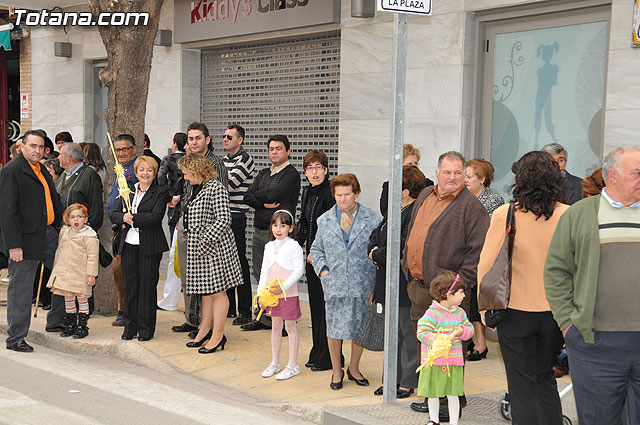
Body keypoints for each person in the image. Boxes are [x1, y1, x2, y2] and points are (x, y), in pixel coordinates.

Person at [545, 146, 640, 424]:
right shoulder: (580, 215)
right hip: (595, 344)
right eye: (637, 173)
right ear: (612, 175)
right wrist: (568, 325)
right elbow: (556, 271)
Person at [478, 151, 568, 425]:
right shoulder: (569, 215)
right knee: (545, 379)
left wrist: (484, 308)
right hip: (555, 314)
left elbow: (486, 264)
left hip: (515, 312)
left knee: (521, 384)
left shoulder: (506, 214)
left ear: (521, 180)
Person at [402, 151, 489, 417]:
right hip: (418, 287)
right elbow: (413, 232)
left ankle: (448, 405)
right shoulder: (426, 194)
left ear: (464, 175)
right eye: (447, 172)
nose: (452, 177)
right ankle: (434, 397)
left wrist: (454, 289)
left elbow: (479, 253)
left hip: (446, 297)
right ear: (437, 172)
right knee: (428, 350)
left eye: (458, 172)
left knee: (448, 352)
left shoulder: (472, 207)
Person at [310, 173, 380, 390]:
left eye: (347, 194)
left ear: (356, 194)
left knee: (359, 328)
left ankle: (354, 368)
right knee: (335, 329)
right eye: (338, 195)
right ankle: (336, 371)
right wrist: (323, 272)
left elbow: (377, 248)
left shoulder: (372, 219)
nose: (342, 199)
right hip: (335, 283)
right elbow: (316, 249)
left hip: (362, 282)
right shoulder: (324, 220)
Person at [0, 130, 63, 352]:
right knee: (21, 289)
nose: (37, 150)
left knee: (64, 275)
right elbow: (7, 211)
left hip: (48, 235)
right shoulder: (12, 170)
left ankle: (58, 320)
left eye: (40, 147)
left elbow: (51, 199)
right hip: (24, 240)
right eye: (32, 146)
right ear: (22, 147)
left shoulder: (41, 170)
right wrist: (13, 245)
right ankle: (16, 338)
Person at [369, 165, 426, 398]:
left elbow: (401, 247)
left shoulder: (413, 214)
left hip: (402, 283)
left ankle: (407, 381)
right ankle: (390, 379)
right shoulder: (395, 210)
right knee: (392, 333)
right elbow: (376, 234)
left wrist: (376, 254)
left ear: (404, 191)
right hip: (386, 281)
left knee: (406, 333)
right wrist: (373, 249)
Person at [178, 153, 242, 353]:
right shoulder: (198, 188)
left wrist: (204, 239)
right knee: (205, 292)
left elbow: (224, 219)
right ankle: (204, 330)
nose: (185, 177)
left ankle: (218, 336)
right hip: (200, 249)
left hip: (215, 249)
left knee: (218, 293)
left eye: (187, 173)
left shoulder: (216, 188)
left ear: (197, 171)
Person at [170, 122, 228, 336]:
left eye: (197, 138)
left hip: (206, 234)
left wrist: (205, 236)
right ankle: (192, 319)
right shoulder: (187, 162)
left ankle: (209, 326)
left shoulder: (215, 164)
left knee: (208, 284)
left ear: (207, 140)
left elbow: (219, 203)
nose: (193, 142)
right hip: (187, 227)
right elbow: (188, 194)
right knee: (189, 277)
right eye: (190, 138)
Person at [243, 135, 301, 331]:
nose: (274, 152)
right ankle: (263, 317)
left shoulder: (291, 175)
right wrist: (262, 202)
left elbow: (274, 195)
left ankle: (284, 320)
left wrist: (260, 198)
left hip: (281, 236)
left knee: (281, 278)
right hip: (260, 231)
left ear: (288, 151)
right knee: (261, 274)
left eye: (278, 148)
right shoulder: (263, 173)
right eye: (271, 149)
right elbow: (247, 197)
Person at [45, 142, 103, 332]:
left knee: (81, 287)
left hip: (82, 240)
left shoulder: (90, 175)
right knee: (66, 286)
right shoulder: (65, 175)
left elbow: (95, 209)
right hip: (65, 237)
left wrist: (85, 230)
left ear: (69, 158)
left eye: (61, 154)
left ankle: (82, 322)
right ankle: (66, 320)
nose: (58, 157)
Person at [110, 156, 169, 341]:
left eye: (149, 170)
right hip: (129, 245)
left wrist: (132, 218)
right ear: (135, 172)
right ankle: (130, 326)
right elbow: (115, 214)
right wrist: (122, 218)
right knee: (131, 287)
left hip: (149, 246)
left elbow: (155, 217)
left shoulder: (160, 192)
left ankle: (145, 329)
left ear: (154, 172)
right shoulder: (128, 191)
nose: (145, 173)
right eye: (141, 170)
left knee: (147, 288)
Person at [295, 150, 335, 371]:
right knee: (316, 306)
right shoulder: (307, 192)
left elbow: (329, 229)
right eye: (310, 168)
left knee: (326, 307)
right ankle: (317, 350)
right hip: (311, 257)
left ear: (326, 170)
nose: (314, 172)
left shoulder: (330, 193)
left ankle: (328, 356)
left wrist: (317, 252)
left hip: (325, 259)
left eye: (318, 167)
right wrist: (293, 243)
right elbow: (304, 223)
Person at [417, 271, 474, 425]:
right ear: (449, 294)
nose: (463, 296)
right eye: (461, 292)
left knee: (453, 393)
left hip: (453, 362)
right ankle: (433, 420)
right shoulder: (432, 313)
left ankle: (453, 421)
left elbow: (470, 329)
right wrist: (439, 339)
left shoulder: (460, 313)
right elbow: (421, 333)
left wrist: (462, 332)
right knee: (433, 393)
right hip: (435, 362)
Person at [463, 159, 505, 362]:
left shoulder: (494, 201)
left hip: (484, 258)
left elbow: (487, 232)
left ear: (482, 179)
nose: (465, 180)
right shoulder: (462, 198)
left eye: (469, 176)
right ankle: (471, 340)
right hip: (466, 257)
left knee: (477, 302)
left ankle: (481, 344)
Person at [258, 210, 305, 380]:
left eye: (283, 225)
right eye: (275, 225)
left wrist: (283, 288)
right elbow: (264, 270)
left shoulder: (294, 246)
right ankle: (275, 362)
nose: (278, 229)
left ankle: (293, 364)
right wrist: (260, 294)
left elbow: (299, 270)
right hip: (272, 295)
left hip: (288, 295)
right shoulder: (269, 246)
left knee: (290, 327)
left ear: (290, 228)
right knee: (275, 325)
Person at [46, 204, 98, 339]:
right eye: (73, 217)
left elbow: (93, 257)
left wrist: (91, 275)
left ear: (85, 219)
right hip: (64, 272)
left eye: (80, 217)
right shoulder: (64, 231)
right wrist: (56, 267)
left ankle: (82, 326)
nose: (76, 220)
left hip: (81, 273)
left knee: (82, 299)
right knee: (68, 299)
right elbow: (60, 250)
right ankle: (70, 324)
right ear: (67, 219)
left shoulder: (90, 235)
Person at [221, 124, 255, 324]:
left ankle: (245, 310)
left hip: (237, 216)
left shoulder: (245, 159)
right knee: (225, 264)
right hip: (222, 215)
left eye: (230, 137)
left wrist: (219, 177)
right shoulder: (223, 160)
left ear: (239, 140)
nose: (225, 139)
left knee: (239, 262)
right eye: (224, 136)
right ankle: (230, 308)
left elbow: (229, 185)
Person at [108, 134, 138, 327]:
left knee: (126, 270)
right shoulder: (120, 168)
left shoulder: (136, 168)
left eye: (125, 149)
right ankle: (122, 307)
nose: (121, 153)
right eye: (118, 150)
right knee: (118, 269)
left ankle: (129, 310)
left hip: (130, 226)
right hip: (117, 226)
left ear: (133, 149)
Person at [379, 144, 433, 217]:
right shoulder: (390, 185)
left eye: (416, 163)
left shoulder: (428, 184)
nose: (414, 166)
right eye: (409, 164)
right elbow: (385, 211)